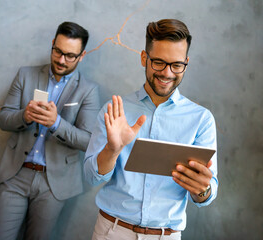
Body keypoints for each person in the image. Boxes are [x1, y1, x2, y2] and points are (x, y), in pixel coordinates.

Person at [84, 19, 218, 240]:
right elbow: (91, 177)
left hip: (166, 235)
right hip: (112, 231)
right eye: (158, 63)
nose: (167, 73)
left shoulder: (201, 119)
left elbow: (208, 192)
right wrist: (112, 149)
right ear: (144, 58)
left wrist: (202, 189)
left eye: (176, 65)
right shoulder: (115, 110)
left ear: (186, 62)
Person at [0, 21, 101, 240]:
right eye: (57, 51)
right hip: (15, 174)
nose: (61, 60)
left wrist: (56, 123)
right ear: (52, 44)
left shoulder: (88, 90)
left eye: (70, 55)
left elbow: (88, 141)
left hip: (54, 183)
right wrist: (24, 116)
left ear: (81, 56)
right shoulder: (25, 75)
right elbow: (3, 119)